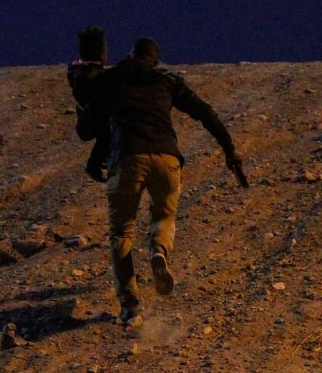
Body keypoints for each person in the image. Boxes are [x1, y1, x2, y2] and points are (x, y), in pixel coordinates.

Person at [80, 37, 245, 325]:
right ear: (155, 61)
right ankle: (158, 250)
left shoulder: (112, 79)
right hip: (168, 159)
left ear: (130, 55)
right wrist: (228, 149)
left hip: (128, 160)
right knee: (164, 217)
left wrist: (90, 138)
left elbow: (89, 128)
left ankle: (130, 306)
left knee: (121, 233)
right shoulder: (167, 81)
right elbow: (205, 112)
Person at [67, 26, 110, 182]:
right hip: (92, 122)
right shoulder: (93, 75)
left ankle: (101, 161)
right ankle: (97, 163)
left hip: (89, 121)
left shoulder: (77, 72)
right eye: (105, 49)